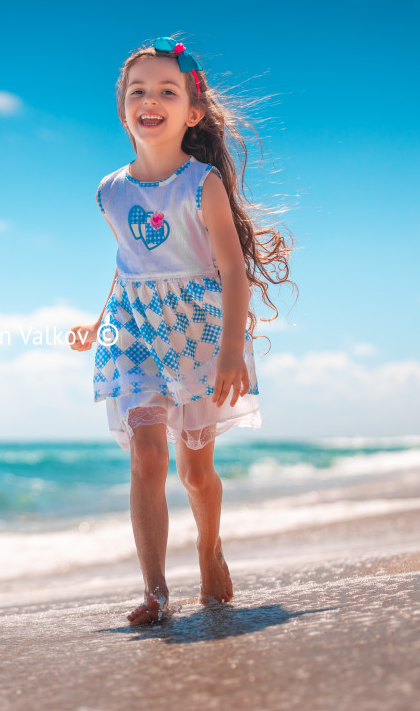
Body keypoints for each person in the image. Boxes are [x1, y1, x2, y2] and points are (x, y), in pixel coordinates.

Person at [69, 36, 294, 625]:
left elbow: (234, 275)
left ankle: (209, 547)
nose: (150, 99)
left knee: (195, 470)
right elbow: (127, 267)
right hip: (134, 331)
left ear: (190, 114)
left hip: (198, 330)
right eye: (137, 90)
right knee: (147, 454)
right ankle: (155, 592)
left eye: (167, 90)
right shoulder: (109, 192)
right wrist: (97, 326)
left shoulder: (202, 184)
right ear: (123, 110)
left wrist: (229, 355)